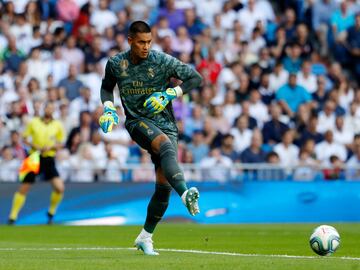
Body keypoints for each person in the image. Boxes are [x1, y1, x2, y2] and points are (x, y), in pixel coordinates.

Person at [98, 21, 202, 255]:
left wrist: (169, 94)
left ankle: (145, 237)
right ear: (130, 41)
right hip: (137, 122)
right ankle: (185, 194)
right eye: (141, 42)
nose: (146, 47)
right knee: (164, 145)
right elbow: (106, 88)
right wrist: (108, 108)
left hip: (167, 125)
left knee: (163, 187)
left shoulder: (162, 61)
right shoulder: (116, 64)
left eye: (149, 42)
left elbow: (196, 78)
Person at [8, 102, 65, 224]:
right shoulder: (33, 122)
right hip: (34, 157)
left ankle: (51, 212)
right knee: (24, 187)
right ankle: (13, 216)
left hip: (49, 158)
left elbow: (61, 143)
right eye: (47, 107)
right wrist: (36, 146)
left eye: (51, 108)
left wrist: (51, 147)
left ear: (53, 110)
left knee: (59, 188)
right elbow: (24, 139)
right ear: (44, 109)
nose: (49, 110)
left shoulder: (57, 125)